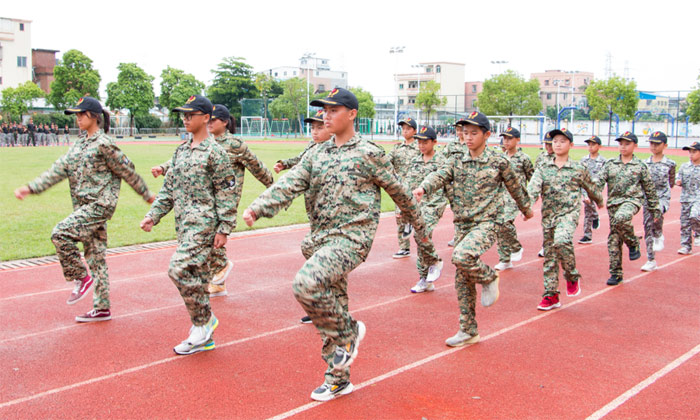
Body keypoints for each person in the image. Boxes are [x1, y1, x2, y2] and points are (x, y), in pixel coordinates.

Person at [242, 88, 438, 402]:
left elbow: (401, 194)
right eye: (324, 110)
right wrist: (258, 207)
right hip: (321, 240)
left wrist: (425, 241)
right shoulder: (316, 153)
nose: (326, 115)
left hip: (351, 239)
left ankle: (349, 332)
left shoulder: (369, 153)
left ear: (352, 114)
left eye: (334, 110)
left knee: (306, 284)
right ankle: (338, 378)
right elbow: (289, 184)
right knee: (330, 306)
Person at [14, 96, 154, 322]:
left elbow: (127, 170)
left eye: (81, 114)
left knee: (60, 232)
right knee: (96, 257)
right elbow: (57, 171)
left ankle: (80, 277)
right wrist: (30, 188)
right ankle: (102, 308)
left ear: (94, 117)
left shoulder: (104, 144)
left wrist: (147, 195)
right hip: (83, 206)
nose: (77, 119)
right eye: (76, 115)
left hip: (100, 205)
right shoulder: (78, 145)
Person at [414, 111, 533, 347]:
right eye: (465, 133)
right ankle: (468, 330)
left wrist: (526, 209)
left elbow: (516, 187)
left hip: (488, 222)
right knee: (463, 279)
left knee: (461, 256)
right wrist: (423, 188)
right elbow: (440, 175)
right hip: (463, 224)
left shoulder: (499, 161)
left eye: (474, 133)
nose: (468, 137)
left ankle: (489, 277)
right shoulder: (457, 159)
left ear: (487, 135)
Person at [141, 95, 237, 355]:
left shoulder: (216, 152)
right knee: (196, 277)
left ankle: (203, 322)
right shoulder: (181, 151)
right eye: (182, 114)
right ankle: (204, 334)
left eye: (190, 114)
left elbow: (227, 192)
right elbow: (169, 189)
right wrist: (154, 215)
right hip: (184, 226)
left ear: (206, 118)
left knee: (178, 269)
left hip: (204, 226)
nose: (184, 118)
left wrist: (224, 229)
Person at [151, 104, 273, 298]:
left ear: (224, 122)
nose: (210, 123)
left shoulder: (234, 144)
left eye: (214, 120)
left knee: (209, 238)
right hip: (203, 197)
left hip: (225, 197)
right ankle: (217, 281)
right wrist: (163, 168)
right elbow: (185, 160)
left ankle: (221, 266)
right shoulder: (199, 143)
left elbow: (256, 166)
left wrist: (273, 188)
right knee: (204, 240)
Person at [527, 128, 603, 310]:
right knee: (550, 257)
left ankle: (572, 275)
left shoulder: (578, 168)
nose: (558, 144)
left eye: (562, 141)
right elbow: (532, 189)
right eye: (555, 141)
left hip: (568, 214)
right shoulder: (544, 168)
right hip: (549, 216)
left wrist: (599, 201)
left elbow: (591, 187)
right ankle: (551, 295)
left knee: (562, 241)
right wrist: (526, 206)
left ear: (571, 145)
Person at [275, 109, 333, 324]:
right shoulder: (312, 148)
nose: (314, 132)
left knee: (323, 256)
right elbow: (300, 160)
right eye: (312, 128)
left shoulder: (336, 151)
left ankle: (328, 306)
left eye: (319, 127)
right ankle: (319, 303)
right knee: (313, 252)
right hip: (314, 210)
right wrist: (284, 164)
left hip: (332, 214)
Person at [596, 131, 660, 285]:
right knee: (614, 239)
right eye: (621, 144)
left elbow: (649, 188)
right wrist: (591, 194)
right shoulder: (610, 164)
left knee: (622, 217)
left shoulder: (640, 166)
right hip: (613, 204)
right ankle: (616, 273)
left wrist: (655, 209)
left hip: (632, 201)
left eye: (627, 144)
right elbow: (598, 182)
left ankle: (633, 242)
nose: (623, 147)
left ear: (635, 145)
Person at [406, 126, 448, 293]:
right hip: (418, 206)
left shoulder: (442, 162)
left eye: (425, 142)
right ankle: (425, 279)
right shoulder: (415, 161)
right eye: (419, 142)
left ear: (434, 142)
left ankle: (435, 261)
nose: (421, 145)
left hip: (434, 204)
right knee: (421, 241)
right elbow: (409, 184)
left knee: (420, 234)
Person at [494, 127, 534, 271]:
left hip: (515, 197)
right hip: (500, 196)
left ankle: (516, 247)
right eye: (504, 138)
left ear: (517, 140)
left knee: (505, 222)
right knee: (499, 225)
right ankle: (504, 259)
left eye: (510, 138)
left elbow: (532, 179)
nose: (506, 141)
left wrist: (528, 203)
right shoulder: (501, 158)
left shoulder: (524, 159)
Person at [640, 131, 676, 271]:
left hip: (662, 197)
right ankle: (651, 259)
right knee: (647, 228)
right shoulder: (644, 164)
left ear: (664, 145)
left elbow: (671, 181)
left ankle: (659, 233)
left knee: (658, 212)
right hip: (648, 199)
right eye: (651, 143)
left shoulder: (670, 164)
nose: (654, 146)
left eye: (657, 144)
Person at [388, 117, 421, 259]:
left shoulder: (419, 147)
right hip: (400, 189)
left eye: (408, 128)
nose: (405, 131)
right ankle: (404, 247)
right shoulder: (397, 148)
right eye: (403, 128)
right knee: (400, 217)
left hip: (416, 188)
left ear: (414, 131)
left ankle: (424, 246)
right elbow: (387, 163)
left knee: (419, 218)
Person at [441, 119, 470, 247]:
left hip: (469, 182)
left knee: (469, 209)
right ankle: (458, 235)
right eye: (457, 130)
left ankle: (469, 235)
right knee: (456, 210)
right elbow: (443, 158)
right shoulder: (452, 145)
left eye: (461, 130)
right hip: (455, 183)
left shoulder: (470, 144)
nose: (459, 132)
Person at [578, 135, 607, 244]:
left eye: (593, 144)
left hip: (597, 188)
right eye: (589, 144)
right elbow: (581, 176)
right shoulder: (584, 160)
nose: (590, 147)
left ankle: (589, 231)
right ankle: (587, 234)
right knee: (587, 207)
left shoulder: (604, 161)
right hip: (586, 187)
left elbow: (604, 177)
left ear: (599, 146)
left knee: (588, 206)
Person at [676, 142, 700, 254]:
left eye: (694, 151)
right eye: (690, 152)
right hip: (686, 198)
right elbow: (678, 177)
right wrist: (678, 181)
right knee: (685, 223)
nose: (691, 154)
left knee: (694, 215)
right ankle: (686, 246)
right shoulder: (684, 166)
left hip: (698, 198)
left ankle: (698, 233)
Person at [536, 133, 555, 257]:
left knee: (557, 221)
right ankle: (546, 245)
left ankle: (555, 245)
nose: (548, 146)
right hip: (546, 195)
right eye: (546, 143)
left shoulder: (559, 156)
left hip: (559, 195)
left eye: (550, 143)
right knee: (546, 221)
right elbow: (535, 175)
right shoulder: (541, 157)